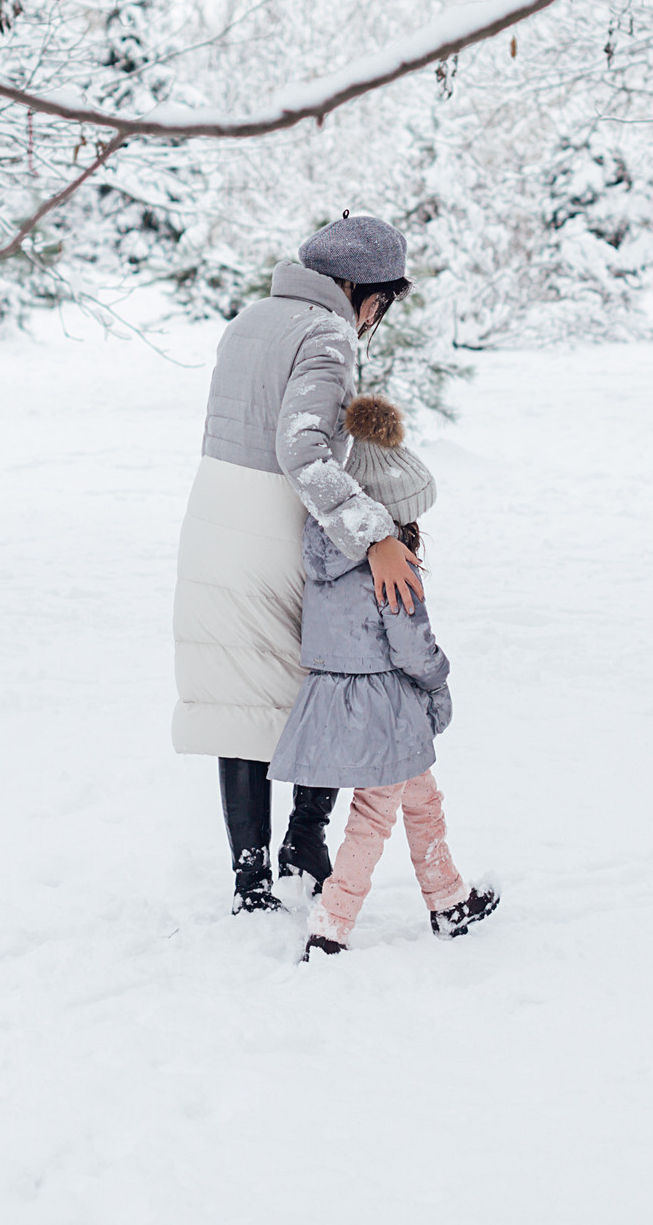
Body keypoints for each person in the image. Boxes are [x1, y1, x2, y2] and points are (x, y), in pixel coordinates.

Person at [173, 214, 427, 914]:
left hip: (213, 514)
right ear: (359, 288)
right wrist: (375, 534)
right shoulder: (327, 333)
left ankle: (251, 879)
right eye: (381, 301)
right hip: (274, 524)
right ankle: (304, 840)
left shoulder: (249, 319)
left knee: (241, 695)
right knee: (338, 676)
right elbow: (302, 448)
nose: (375, 317)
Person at [269, 394, 499, 959]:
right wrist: (438, 682)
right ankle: (331, 926)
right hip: (386, 711)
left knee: (422, 800)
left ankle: (448, 898)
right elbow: (413, 647)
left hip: (333, 701)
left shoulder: (321, 559)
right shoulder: (394, 569)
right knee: (372, 817)